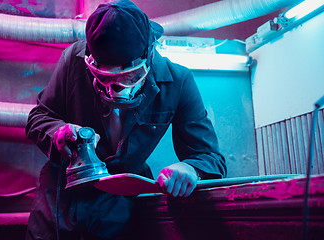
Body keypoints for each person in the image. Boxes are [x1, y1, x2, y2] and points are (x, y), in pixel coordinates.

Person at [25, 0, 227, 239]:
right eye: (103, 79)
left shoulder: (177, 81)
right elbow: (38, 117)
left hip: (123, 197)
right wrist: (58, 133)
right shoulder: (73, 60)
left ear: (148, 55)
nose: (113, 92)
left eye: (127, 78)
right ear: (91, 59)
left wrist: (191, 169)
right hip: (63, 192)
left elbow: (210, 157)